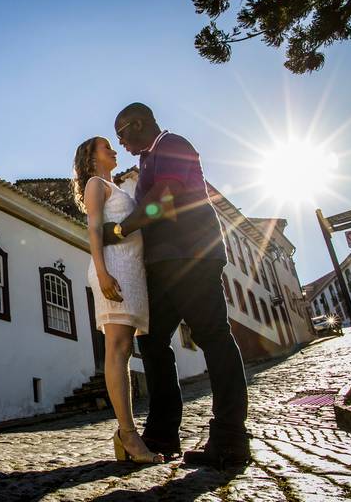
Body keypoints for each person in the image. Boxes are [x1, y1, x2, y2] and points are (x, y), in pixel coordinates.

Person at [102, 103, 251, 469]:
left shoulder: (171, 144)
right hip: (163, 265)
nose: (120, 143)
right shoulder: (148, 160)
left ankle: (230, 437)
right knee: (151, 343)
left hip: (191, 255)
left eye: (122, 134)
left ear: (139, 124)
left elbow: (164, 200)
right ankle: (163, 434)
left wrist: (122, 229)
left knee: (213, 336)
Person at [72, 136, 163, 464]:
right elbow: (94, 229)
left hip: (131, 271)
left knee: (125, 348)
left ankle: (127, 434)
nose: (113, 151)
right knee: (118, 348)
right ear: (91, 158)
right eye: (105, 147)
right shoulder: (96, 184)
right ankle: (128, 434)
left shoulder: (118, 189)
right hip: (113, 269)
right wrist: (102, 271)